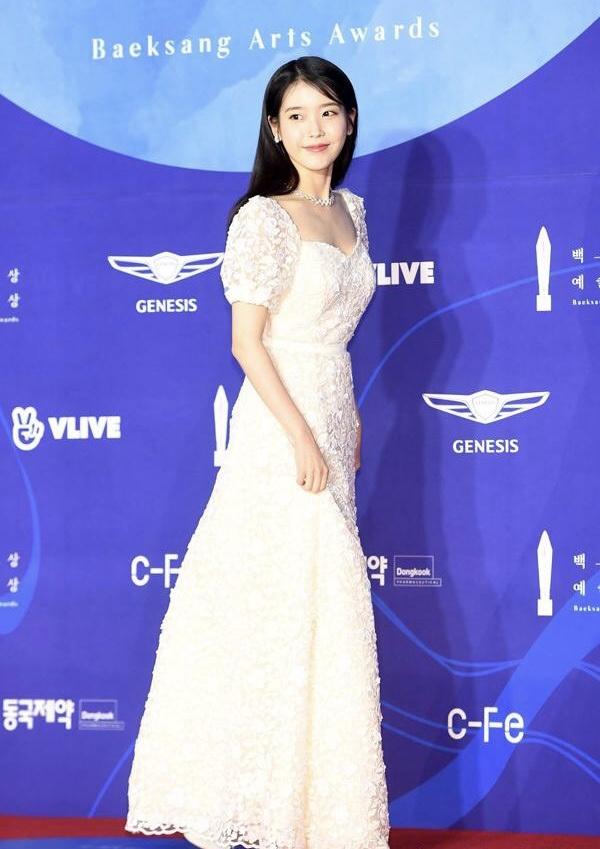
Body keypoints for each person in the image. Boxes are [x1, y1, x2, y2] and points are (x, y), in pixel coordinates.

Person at [125, 55, 390, 849]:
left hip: (332, 408)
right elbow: (248, 343)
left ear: (349, 121)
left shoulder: (354, 211)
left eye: (328, 111)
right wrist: (302, 434)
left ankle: (313, 812)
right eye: (297, 115)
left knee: (318, 608)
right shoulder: (263, 220)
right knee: (278, 601)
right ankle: (262, 807)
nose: (315, 129)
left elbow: (333, 331)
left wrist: (346, 418)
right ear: (275, 128)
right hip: (280, 427)